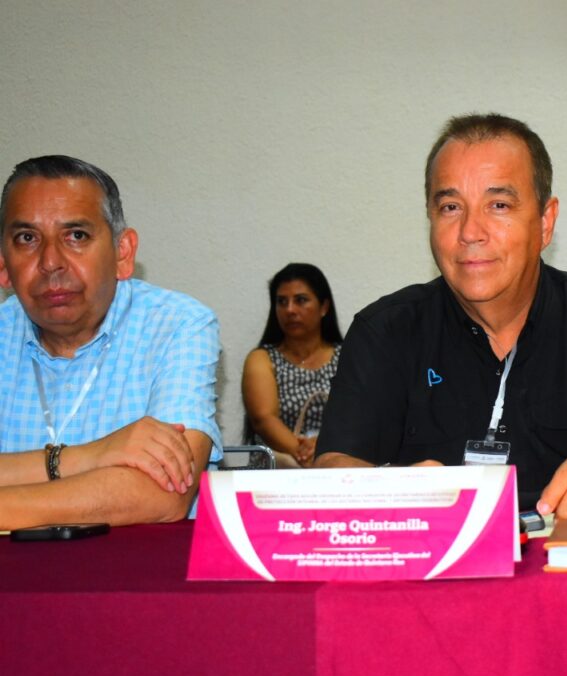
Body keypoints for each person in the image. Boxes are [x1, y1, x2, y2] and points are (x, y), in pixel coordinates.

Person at [315, 113, 567, 519]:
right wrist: (388, 488)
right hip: (434, 554)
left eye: (498, 205)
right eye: (450, 207)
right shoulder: (384, 332)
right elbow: (333, 465)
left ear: (545, 222)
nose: (470, 232)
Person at [0, 155, 220, 529]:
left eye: (76, 236)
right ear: (4, 265)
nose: (51, 262)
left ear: (123, 253)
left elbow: (163, 494)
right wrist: (93, 455)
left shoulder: (177, 324)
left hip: (134, 565)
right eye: (27, 238)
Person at [242, 263, 343, 466]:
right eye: (282, 302)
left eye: (301, 300)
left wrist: (323, 449)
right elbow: (264, 418)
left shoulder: (347, 356)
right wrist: (303, 453)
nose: (290, 310)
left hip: (337, 463)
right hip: (278, 469)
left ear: (324, 307)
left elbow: (362, 417)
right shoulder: (262, 359)